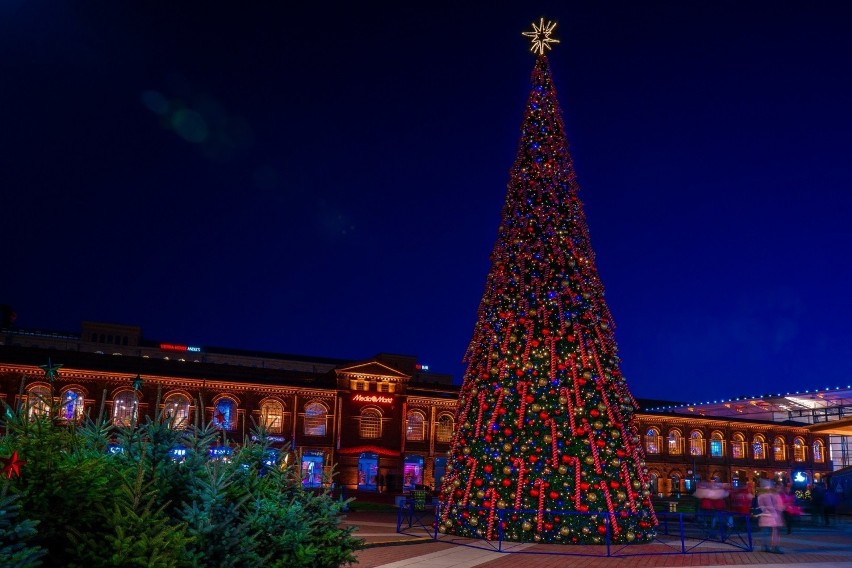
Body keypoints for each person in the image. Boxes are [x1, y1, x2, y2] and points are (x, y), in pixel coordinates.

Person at [757, 481, 785, 554]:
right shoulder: (772, 495)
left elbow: (761, 505)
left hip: (765, 514)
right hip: (772, 515)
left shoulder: (761, 494)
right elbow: (773, 505)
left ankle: (765, 546)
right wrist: (778, 510)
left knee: (765, 531)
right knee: (775, 531)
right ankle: (774, 547)